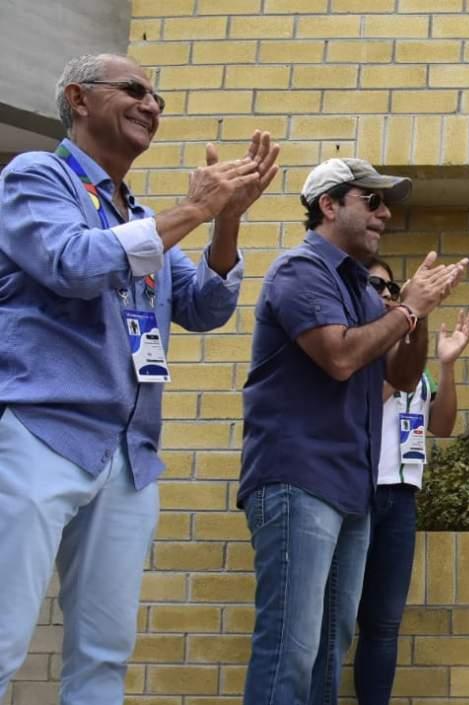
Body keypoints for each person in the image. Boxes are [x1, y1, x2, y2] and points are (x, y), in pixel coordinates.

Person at [0, 53, 277, 703]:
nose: (152, 104)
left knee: (102, 655)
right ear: (79, 98)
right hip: (44, 434)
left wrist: (227, 216)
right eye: (134, 90)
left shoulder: (143, 214)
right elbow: (71, 261)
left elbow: (206, 306)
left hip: (128, 458)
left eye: (159, 98)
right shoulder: (36, 176)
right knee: (4, 634)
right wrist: (190, 212)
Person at [237, 158, 468, 705]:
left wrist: (421, 311)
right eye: (372, 200)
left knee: (328, 644)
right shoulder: (300, 271)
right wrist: (408, 308)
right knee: (291, 646)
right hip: (298, 481)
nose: (385, 213)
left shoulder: (365, 291)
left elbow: (402, 375)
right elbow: (339, 358)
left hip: (353, 489)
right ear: (329, 205)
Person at [355, 257, 469, 705]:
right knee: (336, 619)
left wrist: (445, 366)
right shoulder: (361, 355)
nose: (386, 294)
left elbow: (441, 426)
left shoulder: (414, 365)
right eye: (376, 286)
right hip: (359, 496)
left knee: (384, 624)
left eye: (393, 287)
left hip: (401, 500)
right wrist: (403, 330)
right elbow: (368, 402)